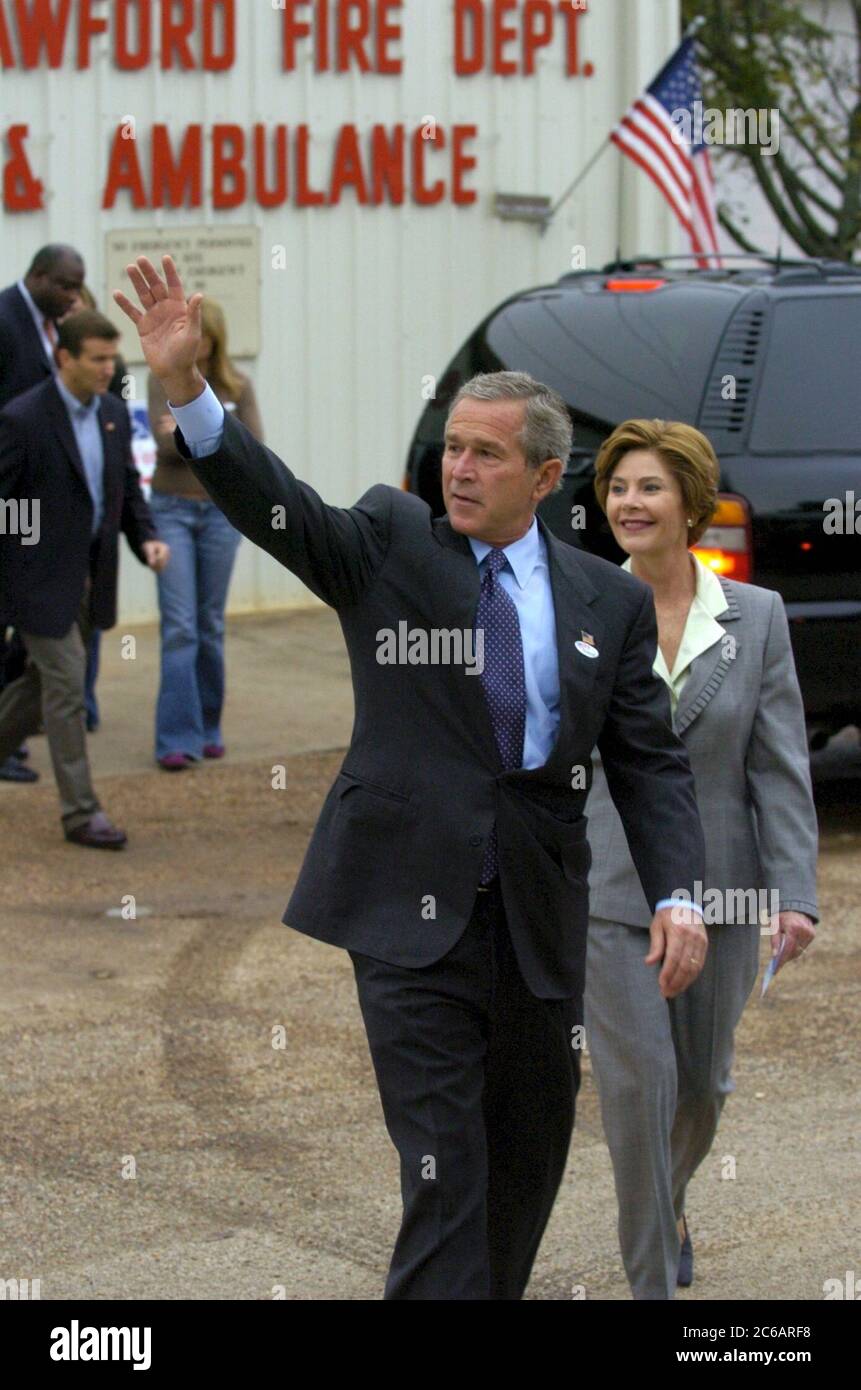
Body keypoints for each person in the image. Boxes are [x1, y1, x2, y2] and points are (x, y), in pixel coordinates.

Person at [115, 255, 708, 1301]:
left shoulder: (603, 604)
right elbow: (280, 510)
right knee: (446, 1168)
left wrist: (676, 892)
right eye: (455, 449)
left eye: (488, 455)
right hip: (406, 909)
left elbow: (650, 763)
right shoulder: (390, 544)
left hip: (536, 921)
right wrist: (188, 394)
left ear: (542, 476)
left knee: (526, 1157)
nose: (460, 470)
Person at [582, 419, 819, 1300]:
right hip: (610, 890)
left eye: (647, 487)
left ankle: (669, 1204)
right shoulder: (585, 605)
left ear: (690, 502)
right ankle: (650, 1281)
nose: (628, 504)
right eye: (615, 488)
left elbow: (778, 763)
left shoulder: (754, 617)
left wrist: (794, 892)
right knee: (638, 1092)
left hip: (720, 888)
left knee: (701, 1091)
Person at [0, 310, 169, 847]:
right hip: (35, 581)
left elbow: (125, 489)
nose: (108, 368)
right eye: (96, 358)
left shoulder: (114, 415)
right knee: (69, 684)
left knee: (37, 686)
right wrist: (25, 560)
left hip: (91, 577)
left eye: (111, 357)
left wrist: (146, 539)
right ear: (65, 357)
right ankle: (80, 812)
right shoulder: (23, 419)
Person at [146, 297, 262, 769]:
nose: (196, 345)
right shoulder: (164, 381)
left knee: (209, 624)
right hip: (170, 509)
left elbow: (250, 446)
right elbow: (163, 443)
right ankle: (176, 738)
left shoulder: (238, 384)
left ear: (215, 339)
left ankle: (209, 725)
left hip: (221, 514)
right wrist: (213, 433)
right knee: (180, 627)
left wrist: (188, 432)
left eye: (203, 337)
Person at [0, 243, 86, 781]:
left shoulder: (57, 327)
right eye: (65, 285)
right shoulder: (6, 320)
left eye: (78, 286)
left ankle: (9, 734)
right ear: (36, 277)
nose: (73, 295)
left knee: (26, 617)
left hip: (44, 500)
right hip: (12, 498)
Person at [61, 285, 134, 733]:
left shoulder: (112, 383)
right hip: (48, 534)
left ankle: (81, 702)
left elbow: (119, 453)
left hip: (94, 531)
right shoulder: (41, 375)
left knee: (89, 622)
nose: (105, 367)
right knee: (48, 641)